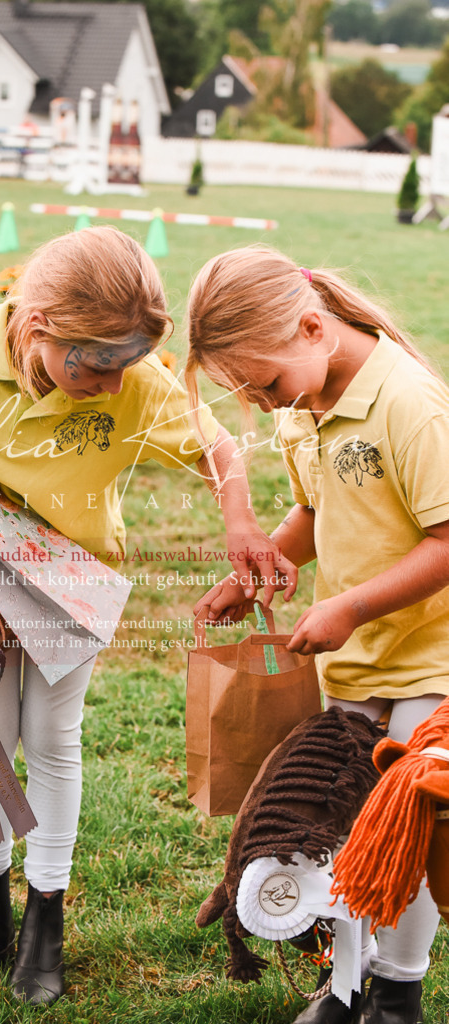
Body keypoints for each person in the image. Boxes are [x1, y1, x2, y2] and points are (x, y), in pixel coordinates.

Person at [0, 226, 295, 1005]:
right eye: (98, 366)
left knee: (50, 737)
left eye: (128, 367)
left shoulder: (136, 382)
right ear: (40, 327)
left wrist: (241, 523)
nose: (115, 387)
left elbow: (220, 449)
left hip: (73, 580)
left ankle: (45, 912)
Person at [185, 244, 448, 1024]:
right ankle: (344, 987)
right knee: (335, 830)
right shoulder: (308, 406)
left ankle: (399, 991)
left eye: (263, 386)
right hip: (354, 666)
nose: (264, 406)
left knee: (407, 826)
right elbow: (315, 508)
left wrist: (351, 608)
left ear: (311, 328)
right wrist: (256, 568)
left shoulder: (410, 405)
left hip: (430, 664)